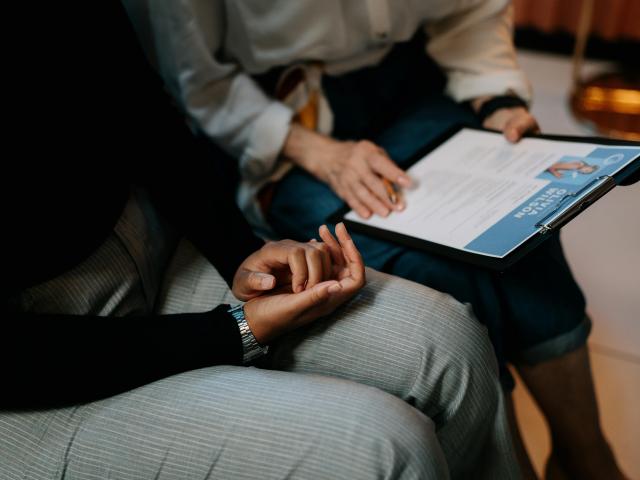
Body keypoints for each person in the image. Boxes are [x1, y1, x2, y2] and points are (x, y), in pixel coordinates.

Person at [1, 3, 520, 479]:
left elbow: (138, 102)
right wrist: (235, 331)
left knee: (453, 343)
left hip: (154, 242)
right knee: (386, 450)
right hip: (35, 367)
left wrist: (239, 253)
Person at [127, 1, 629, 478]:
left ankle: (587, 457)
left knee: (523, 232)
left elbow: (471, 14)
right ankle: (509, 463)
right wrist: (317, 152)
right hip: (280, 116)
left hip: (407, 80)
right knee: (436, 274)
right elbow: (199, 80)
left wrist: (497, 101)